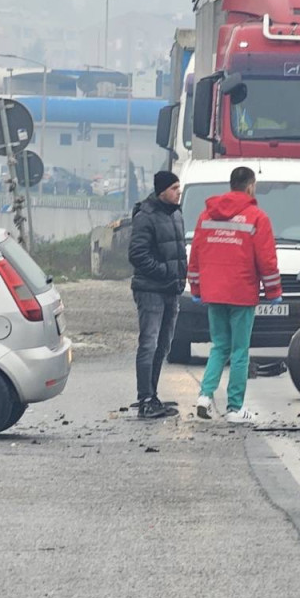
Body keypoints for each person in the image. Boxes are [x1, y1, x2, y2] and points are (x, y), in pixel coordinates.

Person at [188, 166, 281, 424]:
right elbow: (266, 258)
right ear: (251, 186)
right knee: (240, 350)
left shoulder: (207, 215)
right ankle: (234, 408)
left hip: (213, 292)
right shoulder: (256, 217)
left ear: (231, 185)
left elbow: (196, 254)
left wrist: (196, 288)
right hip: (241, 291)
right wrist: (273, 290)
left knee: (219, 346)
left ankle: (205, 396)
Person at [128, 170, 187, 419]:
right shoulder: (146, 216)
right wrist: (164, 271)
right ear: (162, 190)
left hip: (171, 290)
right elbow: (137, 254)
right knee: (149, 344)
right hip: (151, 290)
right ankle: (144, 399)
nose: (178, 193)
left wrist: (179, 277)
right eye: (174, 189)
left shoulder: (176, 215)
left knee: (164, 345)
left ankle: (153, 394)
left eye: (179, 189)